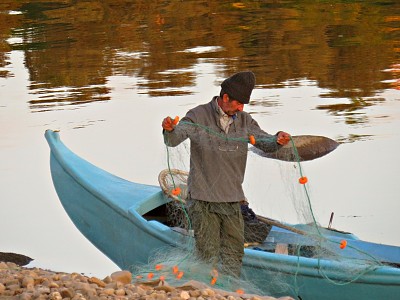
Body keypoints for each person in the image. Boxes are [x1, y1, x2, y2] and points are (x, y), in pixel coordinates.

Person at [161, 71, 290, 277]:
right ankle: (205, 290)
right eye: (238, 103)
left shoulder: (245, 121)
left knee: (233, 255)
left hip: (232, 201)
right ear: (225, 97)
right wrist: (169, 129)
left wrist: (277, 140)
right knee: (208, 254)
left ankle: (227, 290)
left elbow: (264, 142)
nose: (241, 108)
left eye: (244, 105)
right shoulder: (198, 115)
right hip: (203, 201)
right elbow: (175, 138)